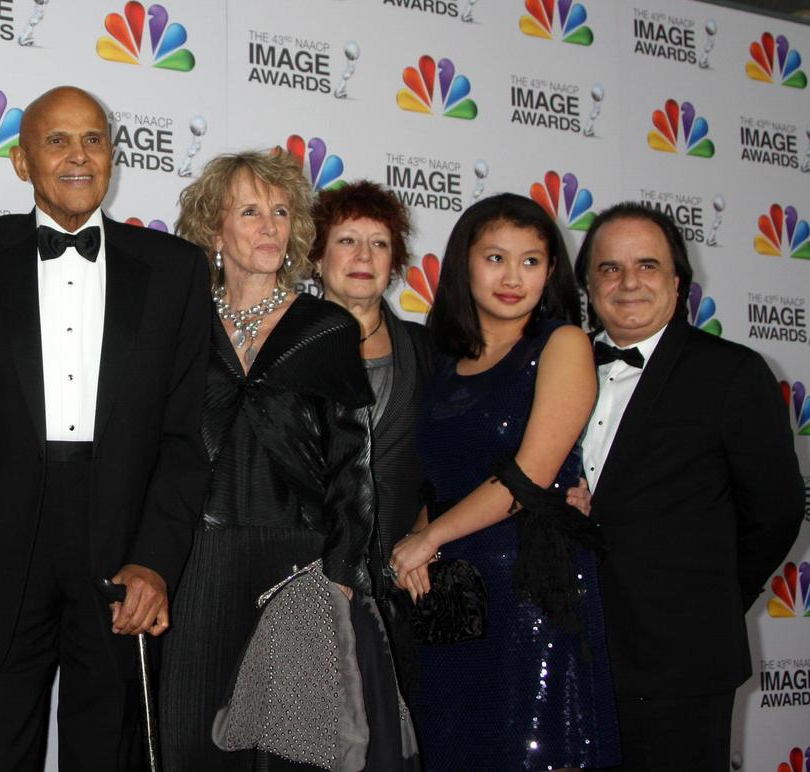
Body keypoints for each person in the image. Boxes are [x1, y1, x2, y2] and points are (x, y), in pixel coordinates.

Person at [0, 86, 210, 770]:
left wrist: (156, 560)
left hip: (122, 546)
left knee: (109, 752)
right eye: (57, 141)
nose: (79, 156)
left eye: (94, 139)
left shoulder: (175, 271)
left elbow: (184, 435)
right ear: (22, 163)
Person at [158, 153, 417, 771]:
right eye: (250, 212)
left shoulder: (324, 327)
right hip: (197, 560)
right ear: (214, 231)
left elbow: (352, 461)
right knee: (192, 738)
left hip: (298, 564)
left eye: (281, 212)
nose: (271, 226)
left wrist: (343, 571)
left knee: (292, 751)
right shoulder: (183, 324)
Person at [392, 193, 620, 770]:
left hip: (531, 595)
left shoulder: (562, 344)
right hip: (454, 601)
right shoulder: (444, 361)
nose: (513, 277)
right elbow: (441, 480)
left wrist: (427, 538)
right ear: (465, 264)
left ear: (551, 272)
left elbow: (530, 476)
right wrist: (419, 547)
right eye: (495, 257)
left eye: (531, 261)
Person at [573, 202, 803, 771]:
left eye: (647, 266)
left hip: (682, 660)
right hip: (573, 651)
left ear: (677, 282)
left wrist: (706, 601)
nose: (628, 282)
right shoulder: (559, 372)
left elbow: (775, 513)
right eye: (609, 268)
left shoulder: (733, 373)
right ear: (587, 285)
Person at [309, 180, 429, 693]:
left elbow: (445, 459)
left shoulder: (425, 349)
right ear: (316, 258)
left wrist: (426, 538)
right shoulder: (287, 347)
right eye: (347, 240)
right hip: (306, 576)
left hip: (402, 582)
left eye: (379, 243)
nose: (364, 255)